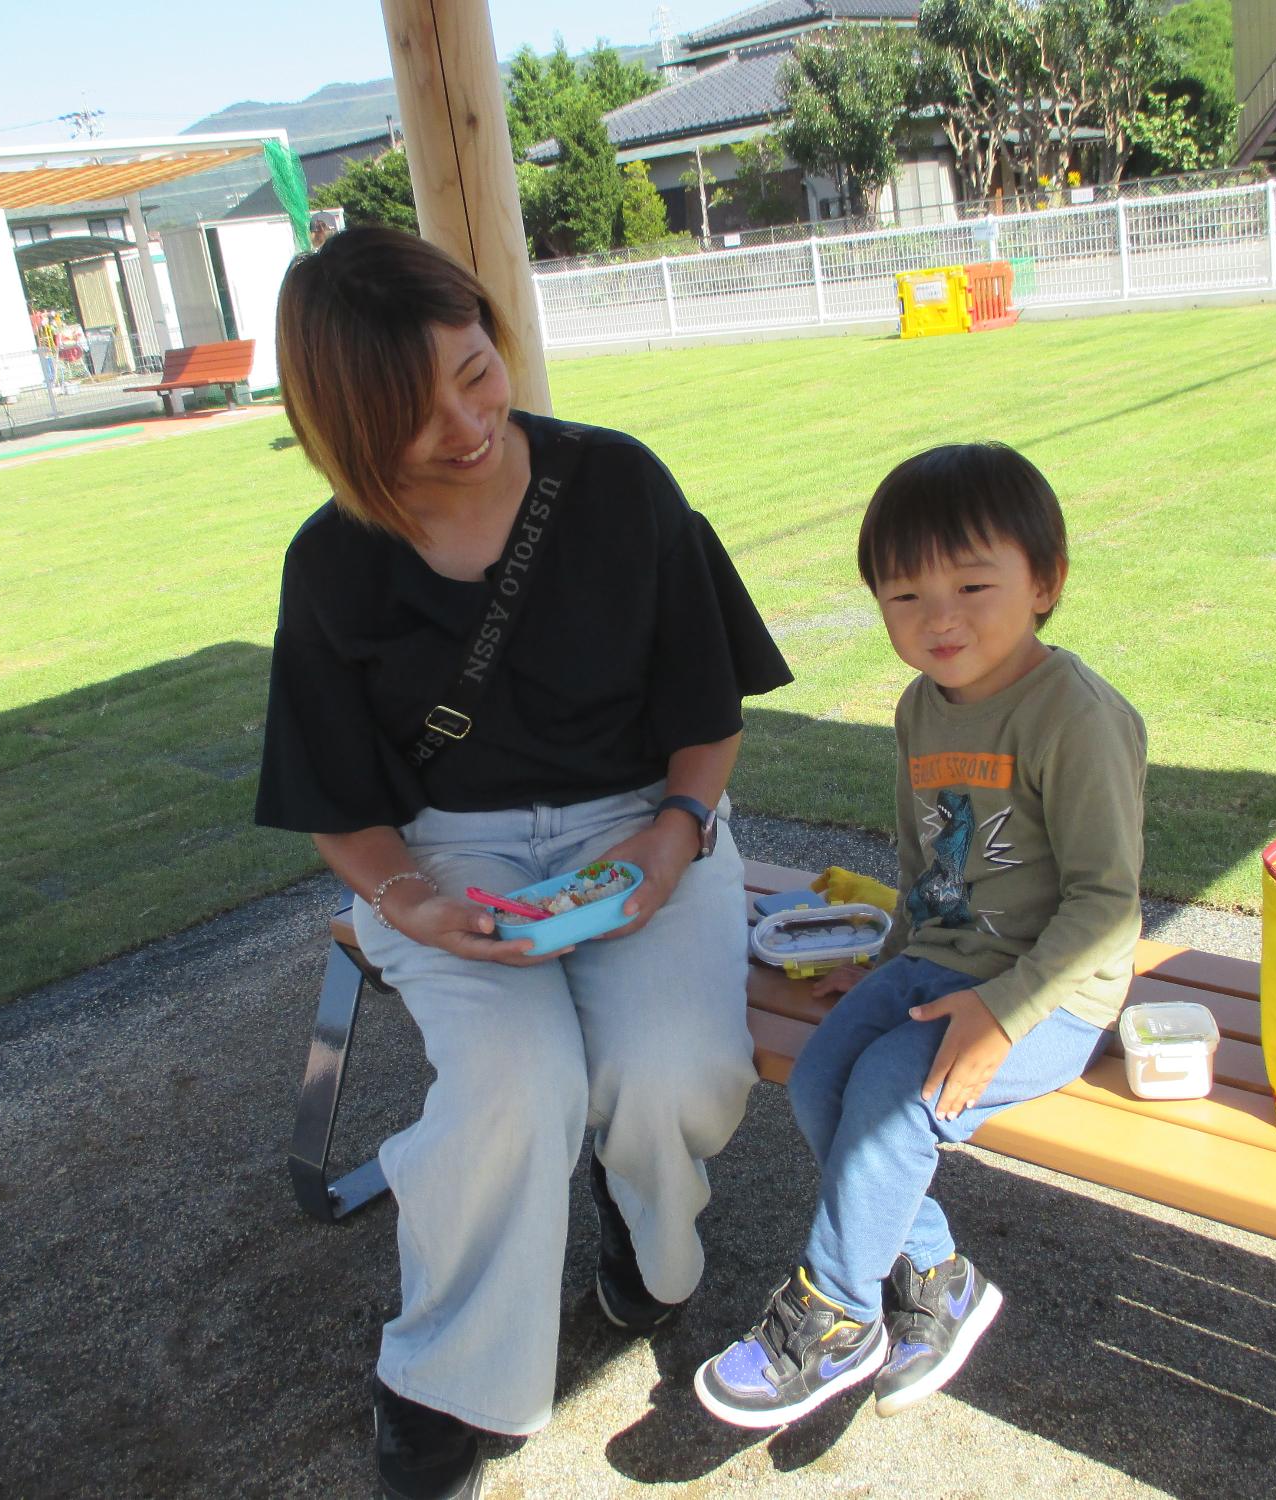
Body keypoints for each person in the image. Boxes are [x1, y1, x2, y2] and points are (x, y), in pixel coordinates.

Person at [254, 226, 791, 1498]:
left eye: (475, 369)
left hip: (642, 824)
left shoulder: (617, 485)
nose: (463, 423)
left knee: (673, 1075)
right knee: (514, 1082)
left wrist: (672, 840)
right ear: (339, 422)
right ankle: (438, 1382)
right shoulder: (331, 563)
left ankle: (641, 1220)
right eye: (411, 408)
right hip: (443, 856)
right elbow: (338, 804)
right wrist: (412, 903)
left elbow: (706, 714)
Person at [695, 443, 1146, 1428]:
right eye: (902, 597)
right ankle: (937, 1278)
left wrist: (998, 1016)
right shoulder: (917, 708)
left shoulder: (1072, 717)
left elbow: (1107, 904)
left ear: (1045, 582)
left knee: (897, 1100)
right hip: (936, 961)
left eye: (971, 584)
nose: (937, 617)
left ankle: (834, 1313)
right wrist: (880, 965)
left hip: (1049, 992)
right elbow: (929, 865)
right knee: (819, 1081)